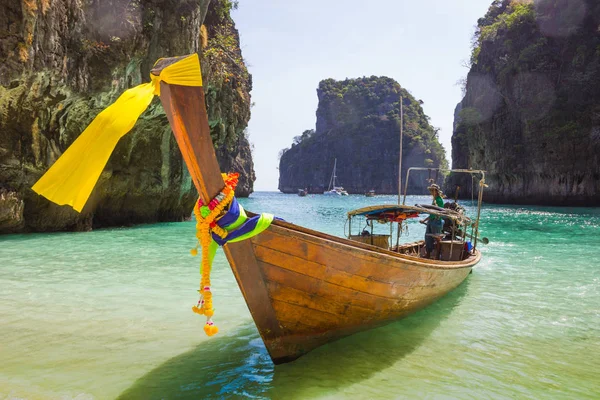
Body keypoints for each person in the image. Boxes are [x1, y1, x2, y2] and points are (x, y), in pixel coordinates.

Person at [420, 184, 445, 259]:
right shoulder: (434, 200)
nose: (431, 192)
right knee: (428, 237)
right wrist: (424, 220)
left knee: (437, 239)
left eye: (433, 190)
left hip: (436, 222)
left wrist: (426, 220)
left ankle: (437, 255)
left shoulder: (439, 200)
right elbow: (431, 214)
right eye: (431, 190)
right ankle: (428, 254)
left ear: (436, 191)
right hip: (431, 221)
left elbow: (436, 213)